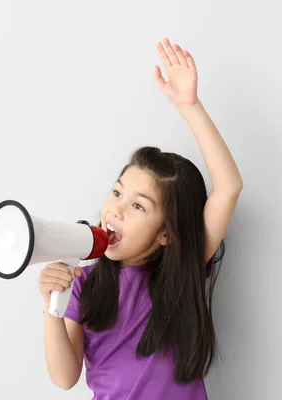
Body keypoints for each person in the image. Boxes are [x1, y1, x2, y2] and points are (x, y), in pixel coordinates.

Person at [38, 37, 243, 399]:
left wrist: (190, 105)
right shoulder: (84, 283)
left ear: (166, 233)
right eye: (117, 193)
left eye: (138, 206)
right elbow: (63, 376)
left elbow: (228, 187)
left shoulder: (182, 271)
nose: (115, 208)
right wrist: (52, 308)